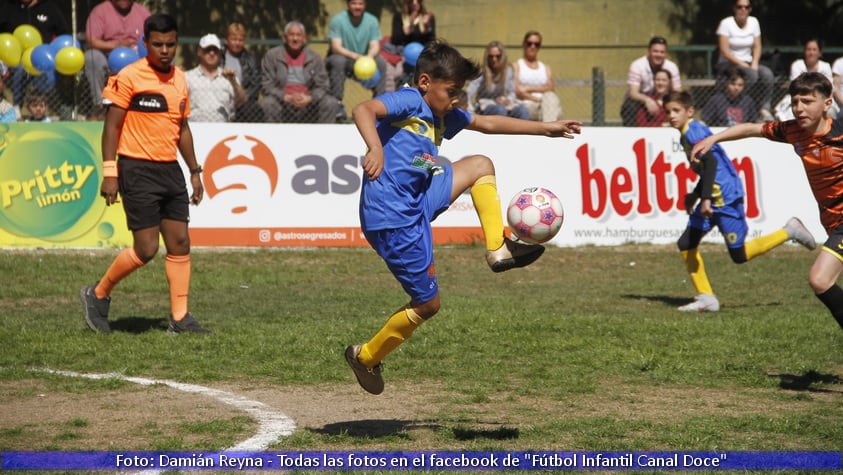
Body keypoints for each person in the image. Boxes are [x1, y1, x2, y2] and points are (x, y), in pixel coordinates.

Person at [344, 40, 582, 394]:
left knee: (479, 165)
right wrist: (376, 147)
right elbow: (363, 109)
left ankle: (498, 248)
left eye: (460, 92)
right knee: (428, 304)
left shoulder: (442, 114)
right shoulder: (410, 100)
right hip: (393, 217)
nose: (457, 100)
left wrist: (544, 128)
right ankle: (364, 357)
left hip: (415, 199)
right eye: (452, 91)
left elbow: (486, 122)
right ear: (425, 82)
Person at [79, 13, 209, 334]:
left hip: (170, 170)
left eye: (170, 44)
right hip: (135, 168)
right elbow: (112, 127)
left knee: (180, 243)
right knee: (147, 249)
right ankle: (97, 294)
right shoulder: (129, 76)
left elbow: (182, 129)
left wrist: (195, 172)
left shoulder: (179, 79)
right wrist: (110, 172)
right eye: (157, 44)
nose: (164, 50)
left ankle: (180, 319)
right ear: (145, 43)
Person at [691, 72, 843, 327]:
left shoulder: (839, 132)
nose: (799, 108)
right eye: (795, 101)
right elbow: (751, 128)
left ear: (827, 104)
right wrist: (713, 138)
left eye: (807, 101)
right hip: (832, 220)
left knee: (820, 279)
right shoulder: (793, 131)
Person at [665, 88, 815, 313]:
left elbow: (713, 164)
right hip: (712, 197)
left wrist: (704, 199)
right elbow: (708, 168)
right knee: (686, 243)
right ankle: (707, 298)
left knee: (739, 255)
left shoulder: (693, 132)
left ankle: (789, 231)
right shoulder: (688, 132)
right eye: (668, 112)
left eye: (676, 110)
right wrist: (697, 195)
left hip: (725, 198)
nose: (672, 116)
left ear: (690, 111)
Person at [83, 0, 151, 119]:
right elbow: (92, 40)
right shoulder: (100, 11)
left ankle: (149, 102)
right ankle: (99, 105)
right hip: (108, 57)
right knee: (91, 57)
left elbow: (153, 37)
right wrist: (116, 46)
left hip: (137, 60)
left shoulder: (142, 12)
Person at [259, 21, 335, 123]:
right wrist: (286, 97)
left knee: (330, 102)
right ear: (285, 38)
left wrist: (310, 98)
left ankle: (323, 138)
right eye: (291, 35)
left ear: (304, 38)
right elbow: (267, 85)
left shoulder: (315, 58)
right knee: (268, 103)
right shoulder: (272, 56)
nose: (295, 39)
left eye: (299, 35)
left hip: (309, 104)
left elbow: (323, 86)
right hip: (283, 102)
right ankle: (273, 137)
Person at [0, 0, 69, 109]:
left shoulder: (49, 7)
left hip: (44, 59)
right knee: (21, 68)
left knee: (50, 76)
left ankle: (50, 109)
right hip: (13, 60)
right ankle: (17, 107)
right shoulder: (7, 7)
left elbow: (64, 33)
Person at [326, 0, 387, 121]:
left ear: (365, 5)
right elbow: (336, 47)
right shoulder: (338, 20)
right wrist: (356, 56)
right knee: (338, 61)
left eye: (360, 4)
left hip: (364, 60)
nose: (357, 7)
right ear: (348, 4)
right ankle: (337, 104)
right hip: (345, 59)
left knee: (381, 62)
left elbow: (375, 45)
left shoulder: (372, 20)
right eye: (354, 3)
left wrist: (369, 57)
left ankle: (379, 104)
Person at [715, 0, 775, 122]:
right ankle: (744, 105)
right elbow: (724, 50)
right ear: (734, 8)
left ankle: (764, 108)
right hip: (728, 62)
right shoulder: (726, 23)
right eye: (740, 7)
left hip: (748, 61)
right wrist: (741, 63)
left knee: (767, 74)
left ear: (750, 9)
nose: (743, 10)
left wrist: (755, 62)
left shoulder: (754, 22)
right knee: (752, 75)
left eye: (746, 7)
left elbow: (757, 46)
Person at [620, 36, 682, 127]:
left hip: (663, 99)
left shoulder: (672, 67)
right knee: (630, 106)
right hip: (640, 100)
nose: (658, 55)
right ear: (648, 52)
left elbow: (677, 91)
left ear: (666, 54)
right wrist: (648, 100)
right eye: (655, 51)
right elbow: (633, 93)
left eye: (662, 52)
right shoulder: (637, 65)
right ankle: (632, 135)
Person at [185, 33, 247, 122]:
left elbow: (242, 101)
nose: (212, 53)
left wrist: (233, 82)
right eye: (207, 50)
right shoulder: (188, 77)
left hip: (222, 129)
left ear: (220, 52)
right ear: (199, 52)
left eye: (215, 50)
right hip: (194, 128)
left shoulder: (229, 77)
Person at [465, 41, 529, 120]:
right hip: (484, 107)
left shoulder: (508, 71)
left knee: (523, 111)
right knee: (500, 110)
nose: (494, 59)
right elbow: (469, 92)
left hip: (503, 105)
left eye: (498, 56)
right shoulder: (482, 72)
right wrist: (471, 110)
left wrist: (507, 100)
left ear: (503, 57)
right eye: (491, 56)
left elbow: (512, 92)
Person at [777, 38, 835, 121]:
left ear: (819, 53)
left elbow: (829, 89)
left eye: (814, 50)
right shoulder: (797, 65)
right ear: (804, 51)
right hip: (800, 98)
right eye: (808, 49)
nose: (811, 53)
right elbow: (796, 88)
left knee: (831, 112)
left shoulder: (825, 66)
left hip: (822, 98)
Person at [383, 0, 436, 92]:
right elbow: (396, 39)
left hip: (421, 57)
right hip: (402, 56)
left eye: (418, 1)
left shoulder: (428, 17)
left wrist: (427, 26)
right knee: (400, 78)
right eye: (411, 1)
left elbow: (431, 41)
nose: (415, 3)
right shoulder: (399, 16)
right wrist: (410, 24)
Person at [512, 30, 563, 122]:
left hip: (546, 104)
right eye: (529, 43)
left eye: (536, 44)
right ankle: (551, 129)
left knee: (550, 97)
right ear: (524, 44)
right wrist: (539, 99)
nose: (533, 47)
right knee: (553, 107)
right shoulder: (517, 66)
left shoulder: (546, 67)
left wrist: (528, 88)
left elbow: (551, 88)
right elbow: (518, 91)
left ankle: (549, 128)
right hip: (526, 105)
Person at [221, 22, 263, 123]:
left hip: (242, 99)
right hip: (220, 94)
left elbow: (256, 84)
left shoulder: (251, 60)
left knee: (255, 109)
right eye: (234, 39)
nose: (237, 43)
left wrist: (243, 97)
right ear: (227, 40)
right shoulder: (219, 57)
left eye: (240, 40)